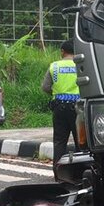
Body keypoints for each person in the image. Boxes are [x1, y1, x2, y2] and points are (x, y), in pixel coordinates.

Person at [42, 39, 79, 167]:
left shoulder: (54, 66)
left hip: (59, 108)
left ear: (62, 51)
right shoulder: (80, 65)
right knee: (80, 141)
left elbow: (46, 87)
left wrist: (57, 93)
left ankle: (58, 171)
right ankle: (81, 171)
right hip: (78, 109)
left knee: (59, 142)